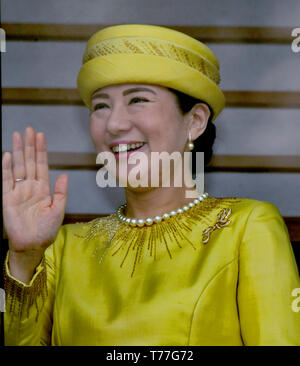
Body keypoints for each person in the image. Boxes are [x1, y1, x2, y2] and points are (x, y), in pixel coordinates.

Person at [2, 24, 300, 346]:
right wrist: (25, 256)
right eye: (101, 105)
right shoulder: (63, 245)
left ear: (195, 121)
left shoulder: (245, 227)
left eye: (138, 100)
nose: (114, 124)